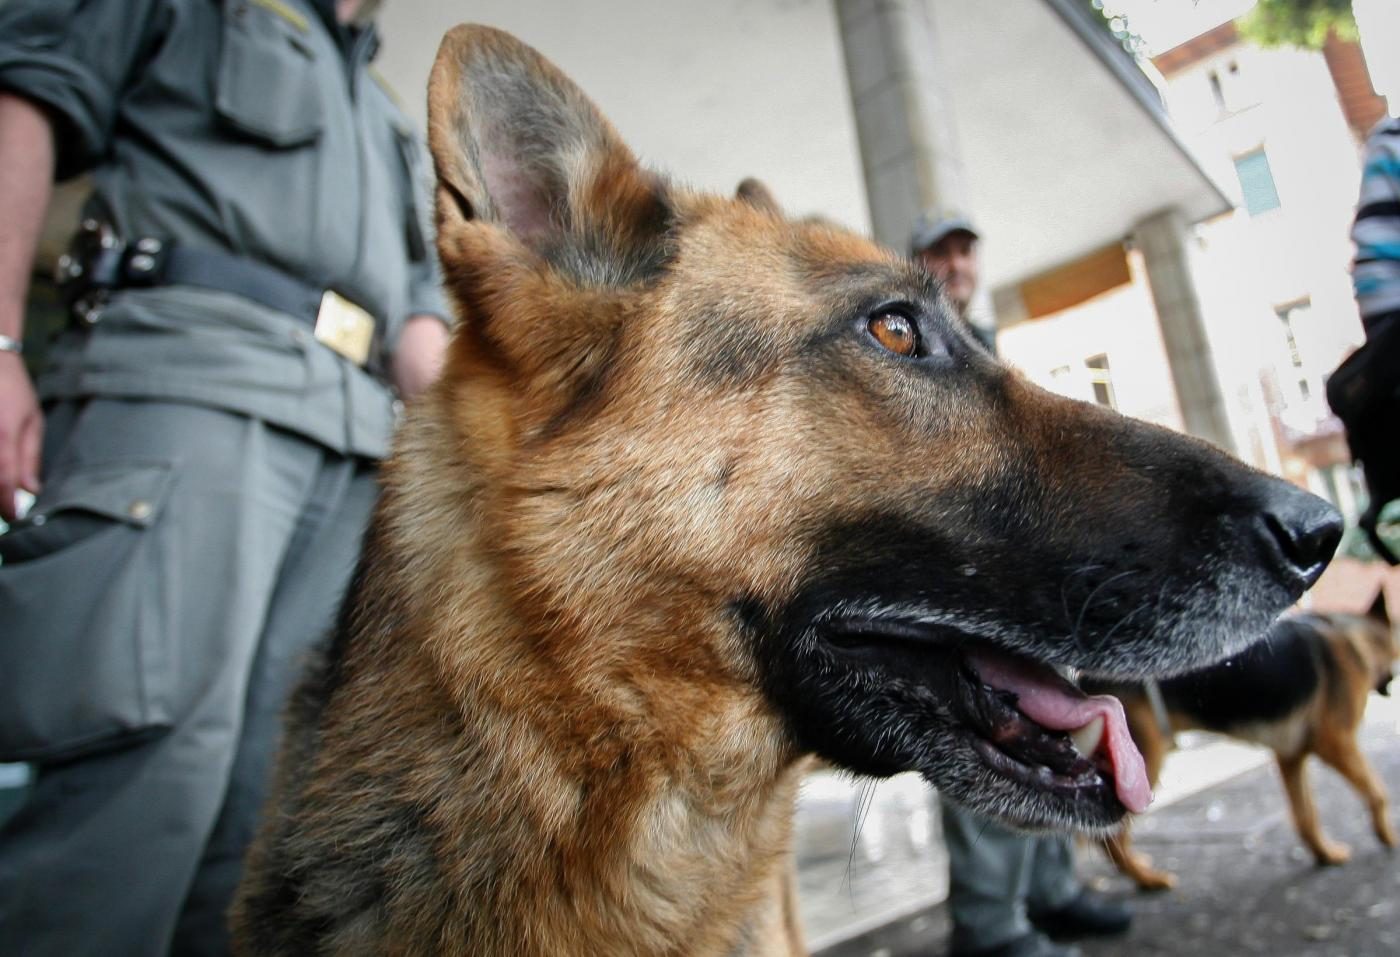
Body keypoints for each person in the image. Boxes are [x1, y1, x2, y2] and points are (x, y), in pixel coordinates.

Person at [0, 0, 451, 953]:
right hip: (190, 382)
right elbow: (27, 99)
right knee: (143, 778)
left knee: (270, 805)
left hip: (355, 441)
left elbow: (418, 326)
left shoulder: (384, 114)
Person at [911, 212, 1133, 957]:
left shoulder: (991, 348)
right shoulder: (911, 355)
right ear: (917, 261)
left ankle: (1050, 890)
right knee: (989, 736)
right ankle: (990, 928)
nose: (956, 264)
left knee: (1052, 731)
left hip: (1026, 586)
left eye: (964, 251)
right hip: (960, 587)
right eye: (939, 251)